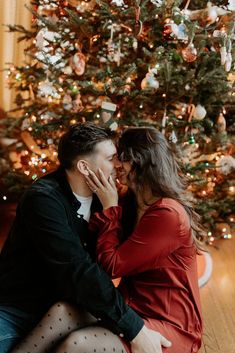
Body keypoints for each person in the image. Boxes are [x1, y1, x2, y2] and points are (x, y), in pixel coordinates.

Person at [0, 123, 171, 353]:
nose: (118, 165)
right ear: (83, 166)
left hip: (69, 313)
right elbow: (80, 272)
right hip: (18, 311)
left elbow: (121, 260)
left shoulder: (109, 198)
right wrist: (135, 330)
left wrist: (111, 208)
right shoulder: (42, 200)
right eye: (111, 158)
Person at [83, 126, 205, 353]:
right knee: (62, 311)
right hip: (131, 308)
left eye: (123, 158)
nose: (117, 165)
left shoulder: (168, 213)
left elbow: (112, 266)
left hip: (169, 322)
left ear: (143, 161)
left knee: (77, 344)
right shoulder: (131, 200)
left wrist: (110, 207)